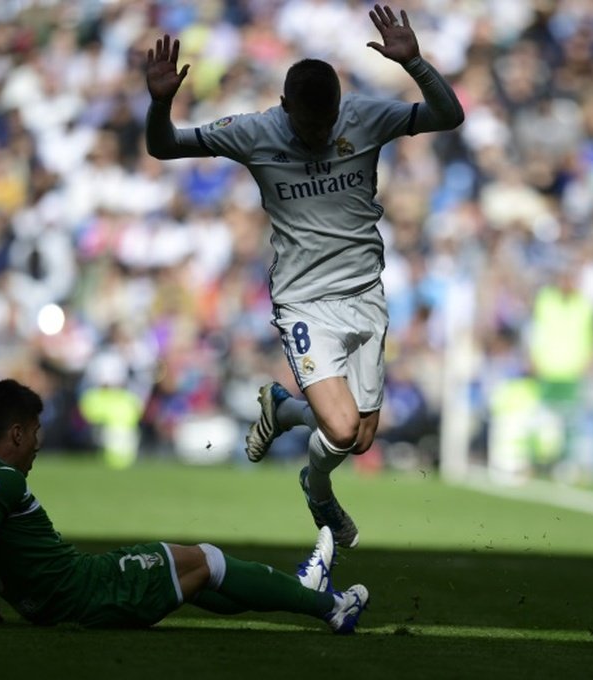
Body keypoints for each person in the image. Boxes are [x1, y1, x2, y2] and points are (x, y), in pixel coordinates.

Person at [144, 4, 464, 548]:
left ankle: (284, 409)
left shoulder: (364, 117)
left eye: (328, 119)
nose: (319, 131)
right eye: (308, 121)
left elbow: (449, 116)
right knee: (339, 430)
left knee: (361, 439)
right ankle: (319, 496)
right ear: (285, 105)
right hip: (304, 303)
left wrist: (417, 65)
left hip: (366, 294)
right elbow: (163, 145)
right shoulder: (253, 132)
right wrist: (160, 104)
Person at [0, 379, 368, 633]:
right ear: (15, 433)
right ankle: (329, 606)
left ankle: (303, 590)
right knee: (207, 559)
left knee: (196, 578)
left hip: (51, 604)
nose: (37, 444)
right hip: (86, 591)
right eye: (34, 433)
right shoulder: (6, 478)